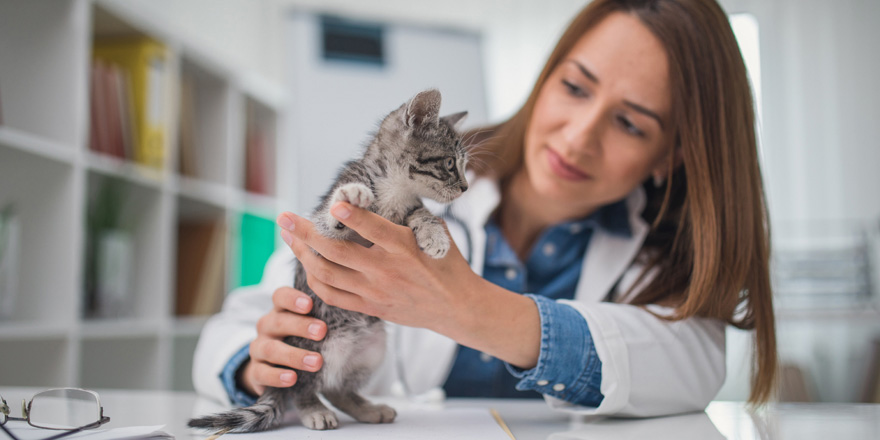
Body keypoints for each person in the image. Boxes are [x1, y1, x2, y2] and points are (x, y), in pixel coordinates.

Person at [192, 0, 777, 417]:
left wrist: (472, 310)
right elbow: (235, 328)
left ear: (670, 155)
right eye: (575, 87)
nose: (578, 137)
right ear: (547, 77)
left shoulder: (664, 253)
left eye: (628, 122)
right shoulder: (400, 185)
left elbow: (693, 365)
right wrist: (258, 365)